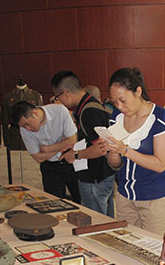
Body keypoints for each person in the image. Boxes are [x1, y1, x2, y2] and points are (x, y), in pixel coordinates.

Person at [99, 68, 165, 236]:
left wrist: (125, 150)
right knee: (127, 246)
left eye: (123, 100)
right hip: (124, 196)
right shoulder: (117, 117)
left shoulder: (161, 118)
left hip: (155, 198)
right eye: (114, 102)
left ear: (138, 91)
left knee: (154, 249)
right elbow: (116, 164)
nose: (119, 106)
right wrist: (110, 150)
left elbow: (160, 165)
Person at [50, 71, 116, 216]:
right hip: (99, 175)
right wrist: (74, 147)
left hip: (95, 179)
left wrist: (76, 154)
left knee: (96, 223)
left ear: (66, 93)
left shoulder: (89, 111)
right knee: (107, 222)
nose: (59, 100)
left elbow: (101, 148)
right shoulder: (87, 106)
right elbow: (91, 139)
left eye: (57, 96)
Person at [12, 101, 80, 203]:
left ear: (35, 113)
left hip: (71, 162)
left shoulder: (59, 111)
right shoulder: (24, 130)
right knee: (54, 203)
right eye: (24, 127)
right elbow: (38, 157)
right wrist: (62, 144)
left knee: (81, 200)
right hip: (50, 167)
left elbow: (73, 140)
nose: (28, 129)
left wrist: (46, 149)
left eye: (28, 124)